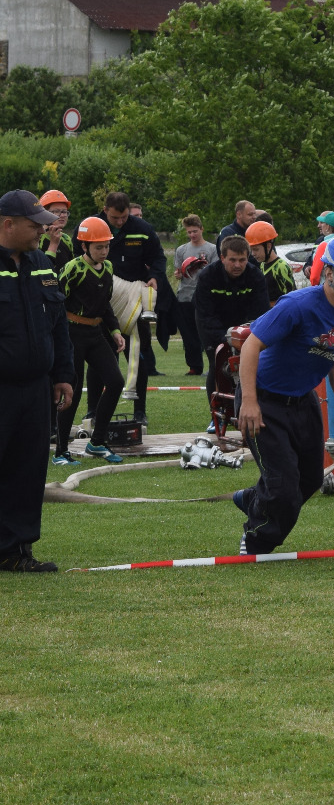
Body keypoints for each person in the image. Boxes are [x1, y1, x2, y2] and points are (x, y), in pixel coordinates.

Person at [233, 234, 334, 553]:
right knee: (283, 487)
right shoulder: (297, 305)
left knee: (310, 480)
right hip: (263, 398)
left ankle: (253, 499)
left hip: (302, 400)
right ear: (329, 273)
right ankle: (257, 539)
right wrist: (250, 401)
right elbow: (251, 345)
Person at [0, 190, 75, 572]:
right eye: (35, 226)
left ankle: (15, 551)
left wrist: (63, 375)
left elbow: (58, 325)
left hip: (35, 388)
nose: (43, 231)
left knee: (28, 472)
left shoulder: (42, 263)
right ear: (7, 224)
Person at [53, 217, 126, 466]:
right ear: (84, 246)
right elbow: (56, 301)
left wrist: (115, 330)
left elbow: (105, 304)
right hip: (72, 335)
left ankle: (97, 442)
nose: (104, 251)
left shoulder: (108, 268)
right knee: (71, 391)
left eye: (107, 246)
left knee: (116, 382)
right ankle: (61, 451)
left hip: (95, 334)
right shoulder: (73, 268)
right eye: (98, 247)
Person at [101, 191, 168, 426]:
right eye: (115, 218)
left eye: (124, 217)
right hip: (103, 301)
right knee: (101, 358)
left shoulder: (142, 228)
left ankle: (140, 411)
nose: (120, 222)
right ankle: (93, 411)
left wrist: (155, 277)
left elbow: (159, 257)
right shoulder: (93, 226)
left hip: (135, 303)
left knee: (138, 355)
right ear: (105, 210)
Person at [195, 235, 274, 431]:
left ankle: (255, 410)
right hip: (213, 324)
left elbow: (261, 311)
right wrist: (224, 339)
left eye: (242, 260)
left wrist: (245, 336)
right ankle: (217, 414)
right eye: (232, 260)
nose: (238, 265)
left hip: (245, 325)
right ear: (222, 258)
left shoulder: (255, 276)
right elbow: (206, 314)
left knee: (255, 364)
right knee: (218, 363)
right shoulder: (207, 276)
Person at [171, 214, 216, 376]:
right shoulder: (182, 250)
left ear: (202, 229)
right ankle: (194, 367)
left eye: (195, 231)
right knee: (188, 334)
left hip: (204, 297)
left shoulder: (212, 249)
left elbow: (216, 272)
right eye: (189, 232)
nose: (192, 235)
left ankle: (214, 365)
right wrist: (179, 274)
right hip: (185, 296)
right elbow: (178, 272)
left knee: (206, 333)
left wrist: (200, 267)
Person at [247, 220, 299, 299]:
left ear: (268, 246)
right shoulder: (262, 265)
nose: (253, 253)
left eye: (256, 249)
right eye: (251, 250)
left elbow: (291, 296)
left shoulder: (281, 266)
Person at [38, 190, 76, 269]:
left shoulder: (66, 239)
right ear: (44, 213)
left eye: (64, 212)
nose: (62, 215)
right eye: (56, 211)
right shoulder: (37, 239)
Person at [307, 210, 334, 285]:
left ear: (328, 226)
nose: (319, 226)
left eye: (322, 223)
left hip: (327, 287)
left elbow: (314, 277)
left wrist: (314, 288)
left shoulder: (324, 245)